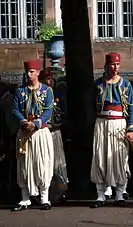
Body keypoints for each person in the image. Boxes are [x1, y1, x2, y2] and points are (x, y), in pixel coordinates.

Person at [90, 52, 133, 208]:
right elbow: (90, 107)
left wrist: (131, 129)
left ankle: (120, 194)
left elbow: (131, 108)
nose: (115, 68)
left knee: (119, 159)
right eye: (112, 65)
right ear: (106, 66)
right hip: (101, 122)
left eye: (117, 64)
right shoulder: (97, 85)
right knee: (100, 157)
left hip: (119, 123)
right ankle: (100, 195)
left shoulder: (126, 85)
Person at [11, 60, 55, 211]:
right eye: (27, 72)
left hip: (40, 132)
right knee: (24, 164)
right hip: (24, 132)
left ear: (37, 72)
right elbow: (15, 109)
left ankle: (44, 198)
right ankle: (25, 198)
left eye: (31, 71)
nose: (29, 74)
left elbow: (48, 110)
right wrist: (23, 121)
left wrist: (36, 124)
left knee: (42, 164)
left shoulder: (47, 91)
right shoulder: (19, 91)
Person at [39, 69, 69, 202]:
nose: (50, 82)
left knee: (58, 162)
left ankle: (61, 190)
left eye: (52, 79)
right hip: (42, 131)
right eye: (47, 79)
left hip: (55, 131)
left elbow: (63, 112)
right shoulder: (39, 94)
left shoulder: (57, 95)